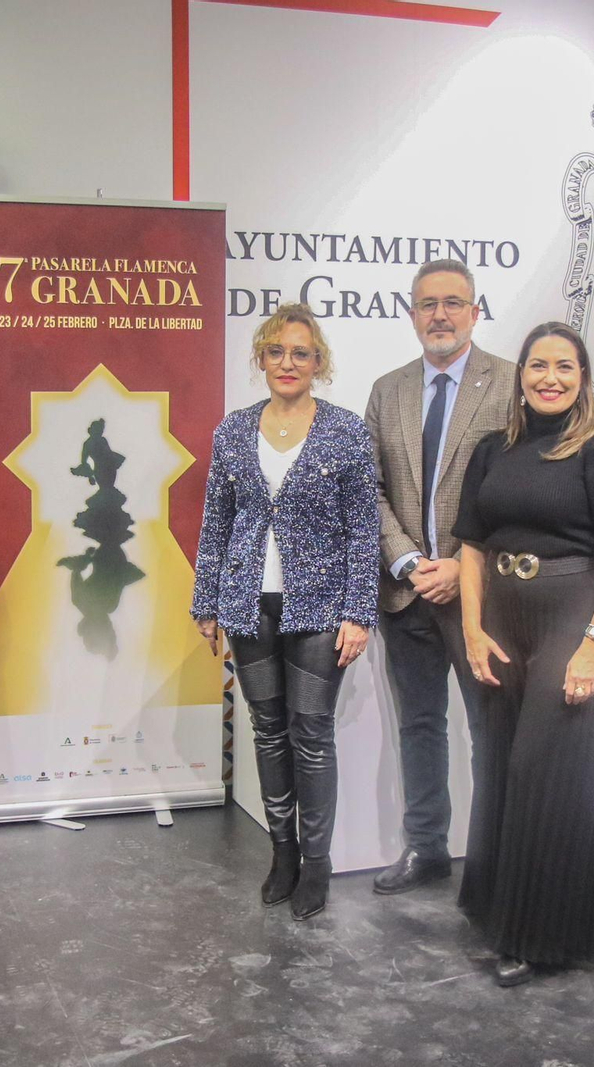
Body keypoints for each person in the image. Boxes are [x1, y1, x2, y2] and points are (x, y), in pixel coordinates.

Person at [454, 321, 594, 987]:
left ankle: (543, 936)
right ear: (521, 376)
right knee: (504, 762)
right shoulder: (492, 450)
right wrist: (473, 627)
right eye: (537, 365)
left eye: (563, 366)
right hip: (502, 613)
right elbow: (472, 545)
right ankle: (499, 909)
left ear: (583, 378)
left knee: (547, 767)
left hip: (574, 608)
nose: (549, 377)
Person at [192, 303, 379, 920]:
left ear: (318, 362)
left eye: (301, 352)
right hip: (249, 605)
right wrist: (208, 603)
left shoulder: (347, 430)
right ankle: (284, 855)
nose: (288, 363)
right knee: (268, 731)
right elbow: (217, 520)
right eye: (276, 351)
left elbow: (362, 530)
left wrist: (360, 612)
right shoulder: (233, 430)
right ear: (260, 359)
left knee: (311, 736)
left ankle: (318, 866)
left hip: (320, 611)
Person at [363, 259, 515, 896]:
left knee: (488, 729)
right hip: (406, 592)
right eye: (428, 304)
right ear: (411, 313)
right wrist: (407, 561)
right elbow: (367, 489)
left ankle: (493, 857)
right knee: (419, 726)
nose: (441, 315)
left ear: (476, 312)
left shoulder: (510, 385)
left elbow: (519, 491)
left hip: (481, 597)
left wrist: (461, 565)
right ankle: (426, 849)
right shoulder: (387, 390)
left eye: (454, 303)